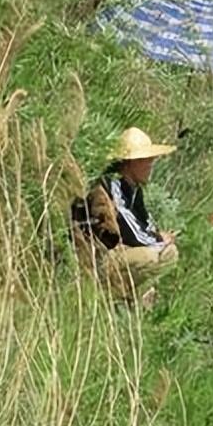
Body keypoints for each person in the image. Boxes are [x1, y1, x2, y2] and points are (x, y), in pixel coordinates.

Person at [74, 127, 179, 303]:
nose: (151, 164)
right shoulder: (112, 186)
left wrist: (159, 237)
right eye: (146, 160)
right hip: (101, 258)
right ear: (132, 163)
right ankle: (109, 298)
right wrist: (159, 240)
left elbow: (145, 224)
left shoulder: (134, 190)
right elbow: (131, 231)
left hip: (124, 251)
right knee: (150, 257)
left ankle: (133, 299)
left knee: (170, 253)